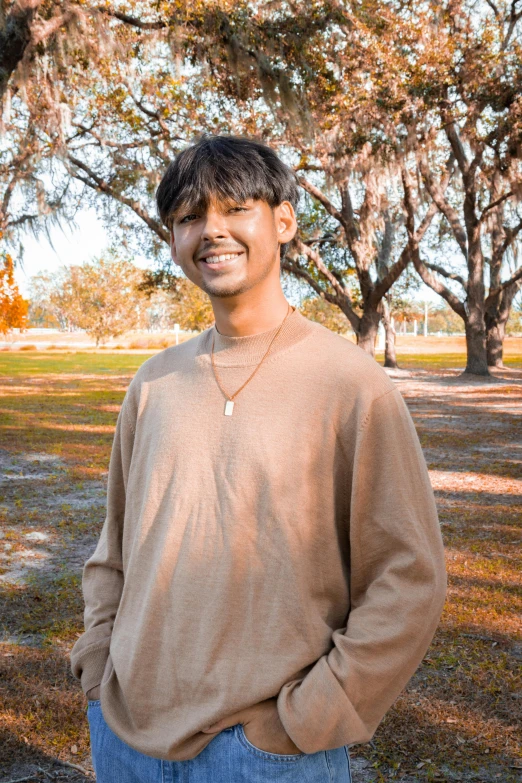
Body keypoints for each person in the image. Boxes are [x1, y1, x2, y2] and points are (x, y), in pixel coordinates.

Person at [69, 135, 447, 783]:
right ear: (173, 239)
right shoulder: (152, 383)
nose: (211, 231)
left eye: (234, 208)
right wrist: (98, 667)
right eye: (188, 217)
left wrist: (304, 720)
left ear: (284, 220)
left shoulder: (351, 384)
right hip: (126, 737)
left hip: (266, 753)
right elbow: (115, 550)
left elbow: (409, 578)